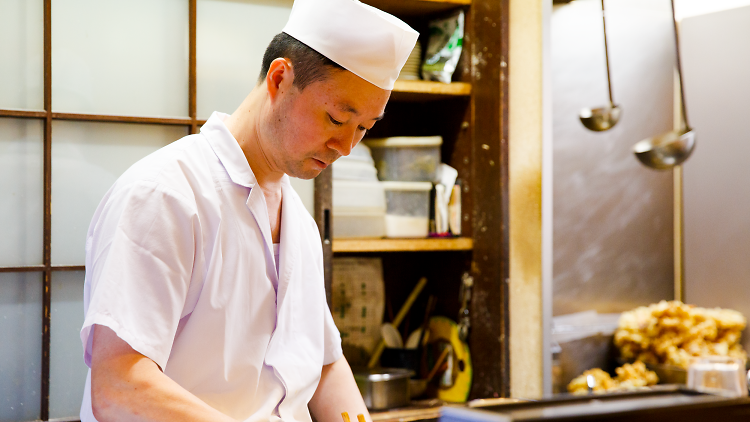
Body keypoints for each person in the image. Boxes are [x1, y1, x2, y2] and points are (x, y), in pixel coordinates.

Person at [78, 0, 418, 421]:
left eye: (363, 128)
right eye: (335, 118)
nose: (347, 146)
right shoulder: (165, 195)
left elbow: (325, 365)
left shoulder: (300, 224)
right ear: (280, 79)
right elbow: (119, 385)